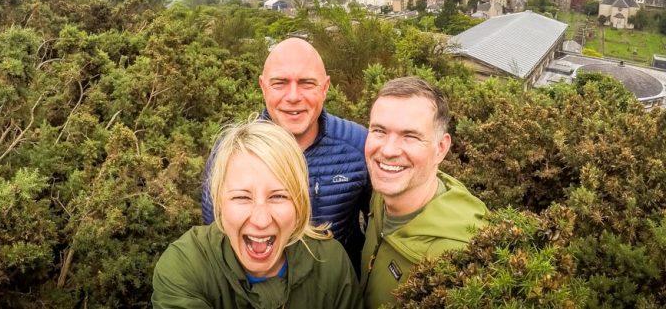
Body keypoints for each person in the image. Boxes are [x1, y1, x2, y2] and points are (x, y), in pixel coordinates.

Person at [201, 37, 370, 271]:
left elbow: (381, 223)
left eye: (307, 83)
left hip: (337, 287)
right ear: (263, 87)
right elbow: (216, 234)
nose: (293, 96)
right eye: (280, 83)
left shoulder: (358, 144)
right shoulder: (231, 154)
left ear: (325, 87)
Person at [152, 121, 361, 309]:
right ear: (218, 202)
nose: (261, 220)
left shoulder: (329, 263)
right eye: (242, 197)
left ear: (300, 204)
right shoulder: (186, 266)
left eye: (278, 196)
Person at [360, 76, 488, 309]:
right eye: (379, 131)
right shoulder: (382, 196)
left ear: (441, 148)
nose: (388, 150)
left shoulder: (457, 254)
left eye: (410, 136)